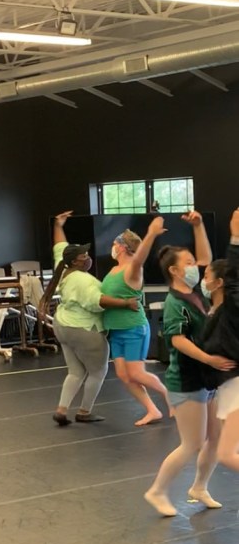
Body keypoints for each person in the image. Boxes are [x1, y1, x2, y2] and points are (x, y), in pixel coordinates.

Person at [144, 210, 235, 517]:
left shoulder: (195, 291)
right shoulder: (174, 303)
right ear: (175, 271)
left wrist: (198, 227)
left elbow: (207, 257)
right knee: (192, 443)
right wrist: (209, 358)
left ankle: (199, 487)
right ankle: (157, 491)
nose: (195, 265)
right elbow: (178, 341)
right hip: (186, 381)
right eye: (188, 262)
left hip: (206, 380)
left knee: (215, 437)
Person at [40, 210, 140, 426]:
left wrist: (58, 225)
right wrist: (126, 303)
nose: (88, 257)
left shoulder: (63, 267)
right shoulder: (83, 281)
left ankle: (61, 409)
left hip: (63, 325)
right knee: (98, 370)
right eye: (84, 256)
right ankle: (84, 411)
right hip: (84, 329)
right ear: (76, 262)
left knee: (75, 371)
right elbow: (99, 301)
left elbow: (59, 246)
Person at [100, 217, 172, 426]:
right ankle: (153, 410)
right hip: (115, 330)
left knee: (137, 373)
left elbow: (140, 258)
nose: (112, 247)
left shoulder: (133, 268)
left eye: (114, 244)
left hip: (133, 328)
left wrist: (150, 234)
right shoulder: (113, 270)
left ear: (122, 246)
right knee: (124, 375)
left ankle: (171, 397)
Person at [200, 208, 239, 473]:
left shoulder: (232, 309)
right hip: (226, 385)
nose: (202, 280)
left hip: (236, 383)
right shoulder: (215, 309)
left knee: (226, 454)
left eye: (206, 277)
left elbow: (235, 282)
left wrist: (235, 239)